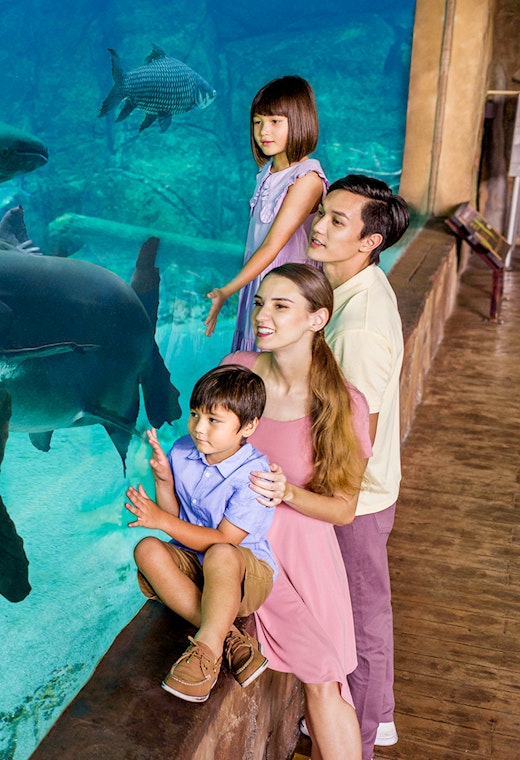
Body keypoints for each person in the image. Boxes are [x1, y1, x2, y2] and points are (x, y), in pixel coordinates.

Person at [223, 263, 373, 759]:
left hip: (306, 556)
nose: (263, 316)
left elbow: (344, 510)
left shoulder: (341, 402)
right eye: (262, 302)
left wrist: (288, 492)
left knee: (325, 682)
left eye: (281, 306)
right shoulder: (235, 372)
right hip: (240, 546)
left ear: (317, 318)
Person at [307, 174, 411, 758]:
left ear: (369, 241)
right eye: (322, 213)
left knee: (362, 619)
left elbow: (356, 433)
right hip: (356, 493)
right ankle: (376, 716)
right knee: (359, 610)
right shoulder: (345, 290)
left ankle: (363, 739)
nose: (319, 227)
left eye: (337, 222)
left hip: (357, 499)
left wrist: (318, 500)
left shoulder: (361, 326)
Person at [124, 364, 277, 703]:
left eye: (213, 420)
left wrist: (161, 521)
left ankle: (205, 655)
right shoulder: (182, 449)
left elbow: (223, 541)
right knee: (147, 549)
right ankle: (229, 638)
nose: (198, 428)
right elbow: (177, 516)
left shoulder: (254, 475)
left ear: (248, 426)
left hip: (242, 575)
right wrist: (164, 479)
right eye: (195, 415)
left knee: (220, 553)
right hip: (196, 564)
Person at [204, 76, 327, 351]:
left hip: (287, 293)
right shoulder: (266, 172)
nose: (263, 132)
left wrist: (226, 290)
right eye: (258, 122)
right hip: (259, 283)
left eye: (275, 121)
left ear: (299, 121)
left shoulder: (307, 178)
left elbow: (272, 246)